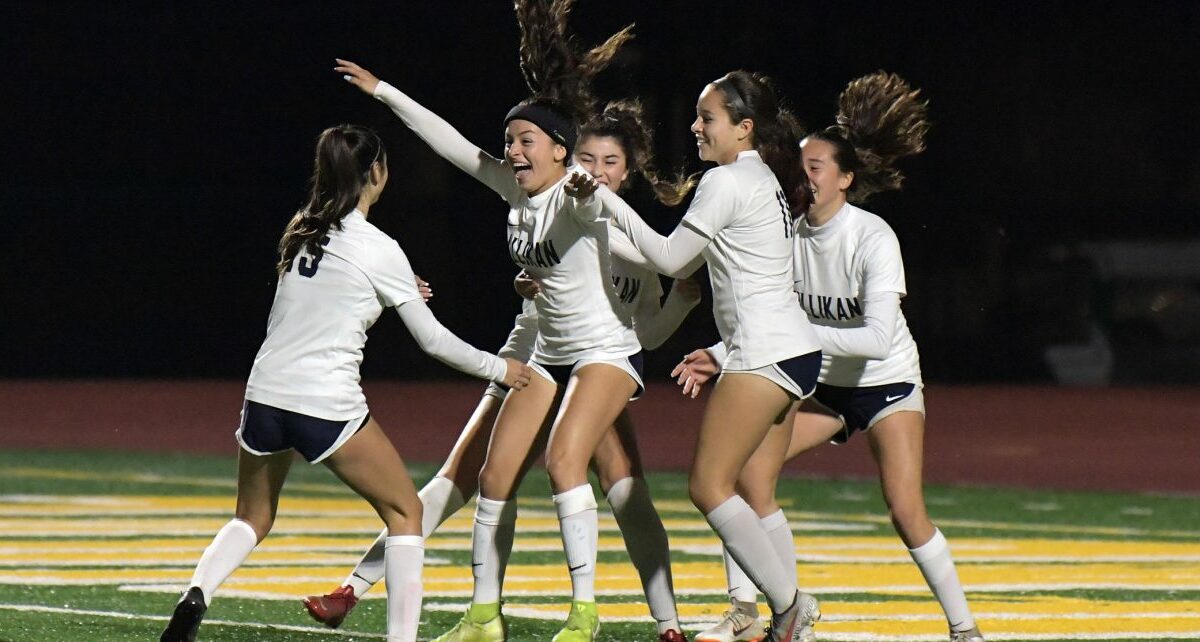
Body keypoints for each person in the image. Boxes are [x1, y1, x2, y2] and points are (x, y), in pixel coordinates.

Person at [303, 99, 700, 642]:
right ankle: (444, 605)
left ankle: (660, 622)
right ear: (568, 156)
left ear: (625, 172)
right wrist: (386, 92)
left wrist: (686, 300)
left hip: (599, 359)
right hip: (538, 351)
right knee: (477, 474)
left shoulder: (618, 231)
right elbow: (470, 158)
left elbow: (650, 311)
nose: (595, 171)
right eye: (587, 159)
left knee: (621, 489)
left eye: (610, 163)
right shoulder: (542, 194)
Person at [157, 125, 530, 642]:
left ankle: (195, 595)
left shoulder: (302, 227)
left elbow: (327, 295)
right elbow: (433, 342)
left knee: (252, 517)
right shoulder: (380, 247)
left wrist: (395, 286)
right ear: (376, 172)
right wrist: (499, 368)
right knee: (406, 511)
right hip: (323, 401)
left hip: (264, 394)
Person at [675, 72, 986, 642]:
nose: (804, 175)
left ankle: (964, 629)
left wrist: (793, 336)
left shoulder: (872, 238)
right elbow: (766, 315)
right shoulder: (785, 229)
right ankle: (756, 613)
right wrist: (721, 352)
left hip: (884, 383)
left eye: (815, 167)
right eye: (799, 165)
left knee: (904, 509)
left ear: (845, 179)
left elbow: (875, 340)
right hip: (819, 382)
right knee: (745, 478)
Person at [597, 70, 824, 642]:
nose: (696, 127)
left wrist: (602, 202)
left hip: (764, 354)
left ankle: (790, 606)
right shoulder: (760, 176)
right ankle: (764, 615)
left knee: (708, 486)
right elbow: (691, 260)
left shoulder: (725, 181)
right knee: (753, 489)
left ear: (744, 128)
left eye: (708, 118)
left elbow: (673, 260)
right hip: (792, 352)